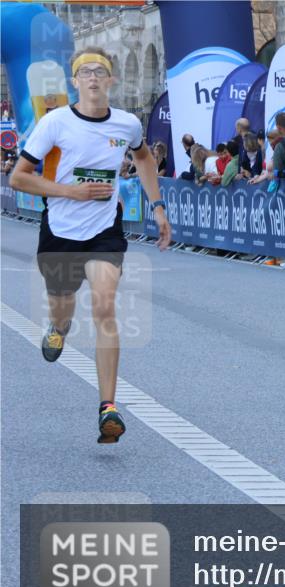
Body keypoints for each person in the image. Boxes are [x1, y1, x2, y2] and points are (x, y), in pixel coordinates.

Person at [8, 46, 171, 444]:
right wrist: (70, 192)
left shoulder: (128, 124)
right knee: (63, 306)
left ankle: (108, 408)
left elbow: (146, 160)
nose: (94, 78)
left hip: (104, 229)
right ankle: (58, 327)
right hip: (61, 229)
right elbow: (18, 177)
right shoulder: (55, 123)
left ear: (112, 80)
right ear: (75, 82)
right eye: (86, 72)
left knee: (103, 305)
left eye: (101, 71)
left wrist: (158, 207)